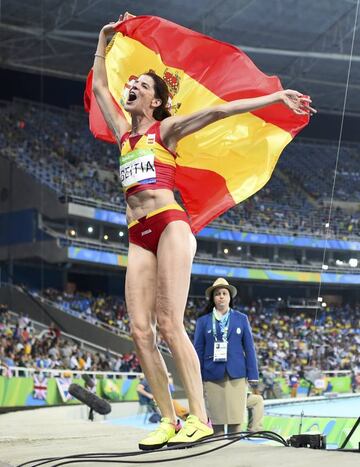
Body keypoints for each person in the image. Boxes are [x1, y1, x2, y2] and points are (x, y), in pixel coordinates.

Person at [92, 14, 315, 450]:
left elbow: (218, 109)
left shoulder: (166, 129)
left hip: (172, 227)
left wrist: (274, 97)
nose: (131, 85)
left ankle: (200, 417)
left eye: (141, 84)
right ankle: (168, 420)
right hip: (138, 233)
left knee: (169, 324)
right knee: (141, 331)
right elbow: (101, 88)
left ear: (155, 102)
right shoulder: (123, 134)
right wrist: (103, 40)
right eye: (130, 81)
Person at [194, 278, 259, 435]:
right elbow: (198, 351)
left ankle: (234, 454)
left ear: (230, 297)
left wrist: (253, 375)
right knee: (216, 420)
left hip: (236, 374)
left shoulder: (241, 319)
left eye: (224, 293)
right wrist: (197, 377)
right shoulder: (203, 321)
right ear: (213, 298)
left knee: (236, 419)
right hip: (211, 375)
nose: (221, 296)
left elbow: (249, 348)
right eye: (217, 294)